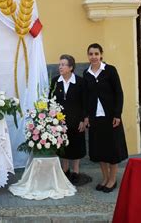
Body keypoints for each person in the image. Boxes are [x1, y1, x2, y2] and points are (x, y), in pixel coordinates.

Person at [83, 43, 128, 193]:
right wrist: (87, 116)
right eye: (91, 54)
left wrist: (117, 114)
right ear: (88, 56)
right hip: (95, 118)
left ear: (101, 55)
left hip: (110, 117)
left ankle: (113, 179)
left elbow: (119, 93)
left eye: (96, 53)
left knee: (112, 149)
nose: (93, 57)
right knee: (100, 149)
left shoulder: (110, 70)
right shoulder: (86, 73)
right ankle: (105, 177)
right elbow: (87, 97)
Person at [50, 54, 89, 185]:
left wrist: (84, 119)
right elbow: (51, 101)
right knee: (63, 145)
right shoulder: (55, 81)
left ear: (71, 67)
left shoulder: (80, 81)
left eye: (63, 64)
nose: (60, 67)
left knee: (76, 144)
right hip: (60, 121)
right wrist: (53, 119)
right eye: (59, 64)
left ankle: (76, 171)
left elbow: (85, 102)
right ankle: (65, 169)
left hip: (76, 119)